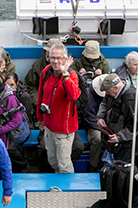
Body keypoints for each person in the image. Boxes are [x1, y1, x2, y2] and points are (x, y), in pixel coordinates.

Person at [36, 43, 81, 173]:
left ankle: (67, 192)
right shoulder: (47, 71)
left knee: (64, 164)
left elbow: (74, 96)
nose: (55, 61)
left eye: (59, 58)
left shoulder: (71, 76)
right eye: (52, 58)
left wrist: (65, 74)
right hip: (49, 126)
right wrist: (40, 118)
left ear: (65, 59)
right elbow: (41, 94)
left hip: (63, 130)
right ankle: (58, 183)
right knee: (53, 160)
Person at [95, 74, 138, 169]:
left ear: (115, 87)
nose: (107, 94)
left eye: (108, 91)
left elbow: (136, 125)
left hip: (130, 140)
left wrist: (119, 137)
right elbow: (104, 103)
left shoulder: (130, 99)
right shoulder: (112, 92)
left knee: (123, 168)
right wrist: (100, 117)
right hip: (116, 133)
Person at [24, 38, 62, 106]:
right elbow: (30, 86)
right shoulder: (37, 66)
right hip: (43, 101)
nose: (50, 54)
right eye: (48, 51)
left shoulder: (67, 64)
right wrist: (38, 103)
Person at [81, 74, 108, 172]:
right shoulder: (88, 95)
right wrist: (101, 128)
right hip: (92, 125)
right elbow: (88, 116)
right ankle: (93, 166)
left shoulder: (111, 94)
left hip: (107, 124)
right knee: (98, 139)